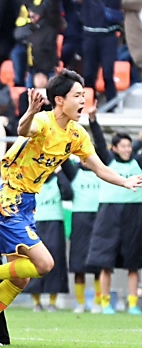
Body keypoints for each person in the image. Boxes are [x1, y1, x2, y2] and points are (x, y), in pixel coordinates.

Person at [0, 70, 142, 345]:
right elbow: (24, 130)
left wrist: (125, 181)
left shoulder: (76, 134)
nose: (83, 99)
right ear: (59, 100)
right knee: (45, 264)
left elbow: (99, 167)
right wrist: (30, 111)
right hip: (9, 199)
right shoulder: (44, 122)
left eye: (84, 94)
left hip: (27, 204)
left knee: (21, 278)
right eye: (77, 95)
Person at [86, 131, 142, 315]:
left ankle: (133, 304)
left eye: (129, 145)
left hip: (134, 214)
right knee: (105, 263)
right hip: (109, 214)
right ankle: (105, 302)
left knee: (133, 263)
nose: (127, 149)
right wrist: (93, 120)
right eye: (123, 146)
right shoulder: (109, 161)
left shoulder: (138, 162)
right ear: (115, 148)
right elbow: (100, 143)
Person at [72, 0, 131, 102]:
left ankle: (112, 105)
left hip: (108, 38)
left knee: (107, 73)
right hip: (90, 37)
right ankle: (88, 103)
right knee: (89, 73)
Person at [61, 108, 107, 314]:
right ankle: (80, 303)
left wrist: (94, 121)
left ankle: (98, 302)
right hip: (80, 220)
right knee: (79, 264)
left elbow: (103, 147)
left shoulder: (102, 173)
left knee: (98, 263)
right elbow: (61, 156)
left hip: (99, 219)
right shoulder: (73, 173)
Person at [24, 168, 73, 311]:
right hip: (35, 224)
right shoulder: (32, 181)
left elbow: (68, 193)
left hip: (55, 223)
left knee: (55, 260)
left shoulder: (57, 179)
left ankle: (52, 302)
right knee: (34, 261)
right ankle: (36, 302)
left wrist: (59, 173)